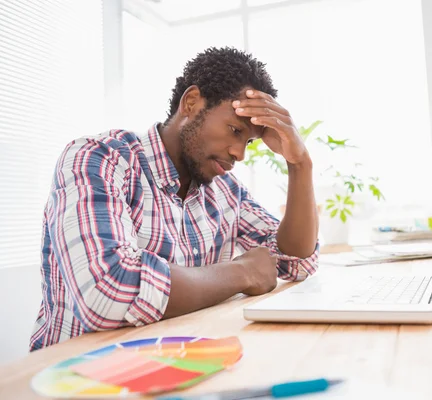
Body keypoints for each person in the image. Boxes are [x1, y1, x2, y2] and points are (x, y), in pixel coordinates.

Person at [30, 47, 320, 351]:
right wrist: (241, 272)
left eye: (248, 141)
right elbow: (108, 290)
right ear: (191, 102)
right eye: (234, 130)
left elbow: (296, 261)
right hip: (74, 377)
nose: (240, 153)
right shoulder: (100, 158)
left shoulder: (225, 189)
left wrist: (300, 163)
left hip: (176, 364)